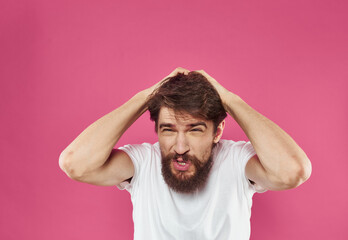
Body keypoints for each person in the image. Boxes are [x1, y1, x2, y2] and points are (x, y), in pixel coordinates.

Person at [59, 67, 312, 239]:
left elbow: (294, 171)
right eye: (168, 130)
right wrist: (146, 97)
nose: (180, 148)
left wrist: (229, 100)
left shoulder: (236, 161)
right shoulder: (143, 162)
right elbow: (74, 164)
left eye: (195, 130)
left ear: (218, 131)